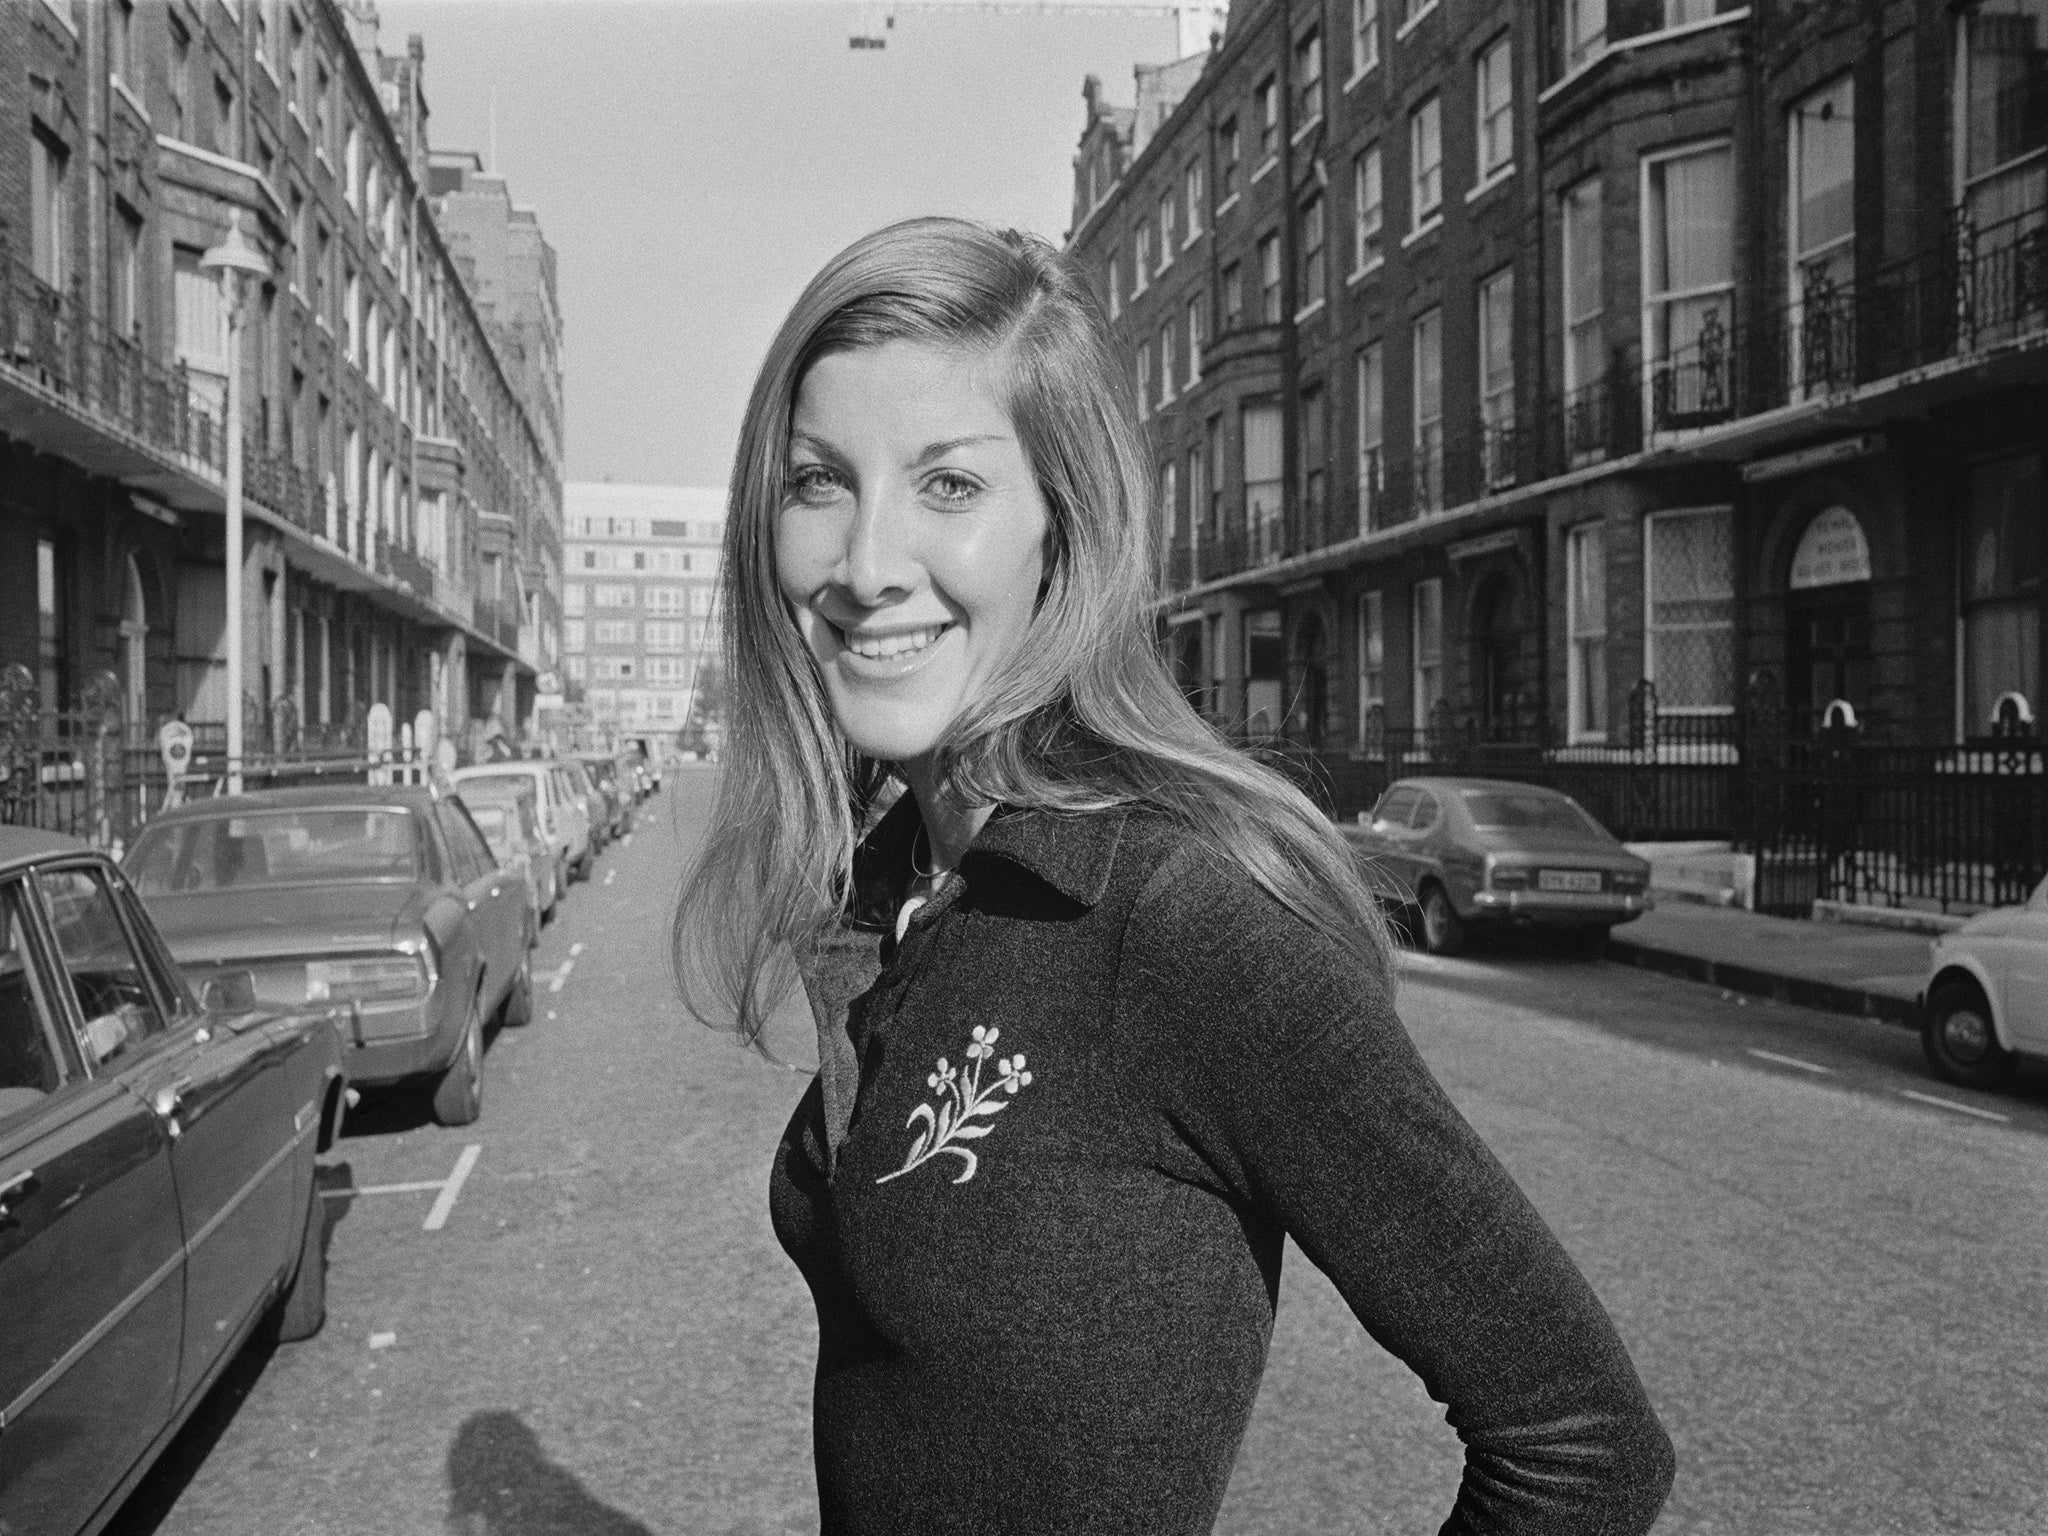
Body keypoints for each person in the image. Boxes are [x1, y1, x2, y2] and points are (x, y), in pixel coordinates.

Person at [674, 217, 1675, 1534]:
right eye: (820, 483)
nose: (865, 566)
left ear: (1064, 529)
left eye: (950, 486)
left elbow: (1581, 1446)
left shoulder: (1180, 913)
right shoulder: (904, 875)